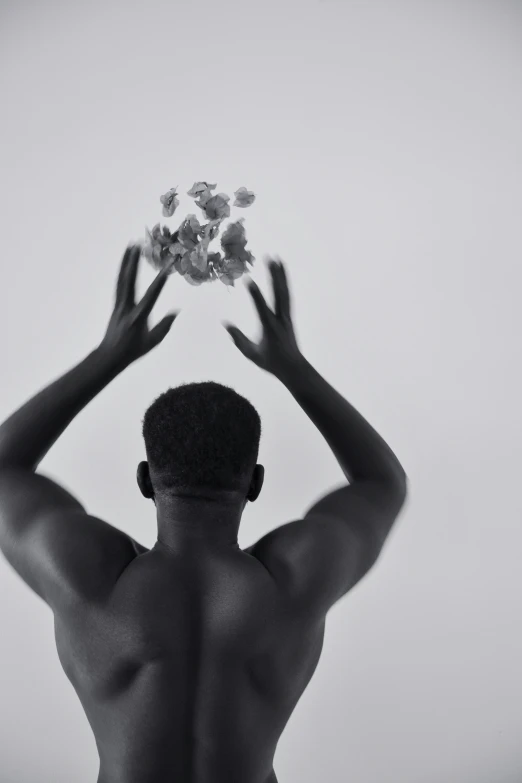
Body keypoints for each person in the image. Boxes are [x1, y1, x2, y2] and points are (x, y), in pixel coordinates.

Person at [0, 250, 408, 783]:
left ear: (145, 479)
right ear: (255, 483)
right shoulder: (296, 576)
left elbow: (4, 467)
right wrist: (296, 371)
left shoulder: (87, 575)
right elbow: (382, 482)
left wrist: (107, 356)